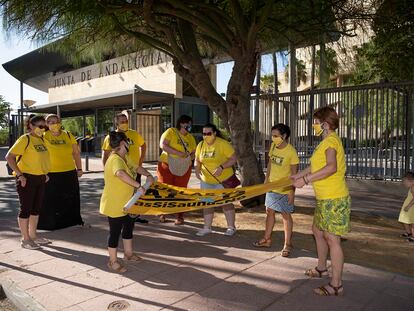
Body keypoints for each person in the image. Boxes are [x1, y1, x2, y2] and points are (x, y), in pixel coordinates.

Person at [292, 106, 350, 296]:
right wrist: (296, 176)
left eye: (316, 122)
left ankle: (336, 284)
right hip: (324, 198)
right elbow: (315, 165)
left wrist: (306, 180)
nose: (313, 125)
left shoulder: (331, 142)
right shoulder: (325, 142)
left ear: (325, 124)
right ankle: (321, 268)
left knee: (332, 239)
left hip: (334, 198)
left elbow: (331, 167)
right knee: (317, 231)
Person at [100, 131, 154, 273]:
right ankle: (112, 261)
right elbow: (120, 173)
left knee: (128, 228)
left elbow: (136, 167)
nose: (130, 144)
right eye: (128, 142)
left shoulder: (125, 157)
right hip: (115, 204)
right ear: (123, 143)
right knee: (115, 232)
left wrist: (148, 175)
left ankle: (128, 255)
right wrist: (138, 186)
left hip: (129, 202)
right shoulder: (115, 159)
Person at [5, 115, 51, 249]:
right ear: (31, 126)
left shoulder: (41, 140)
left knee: (36, 209)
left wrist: (44, 173)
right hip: (27, 178)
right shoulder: (25, 139)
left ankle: (33, 236)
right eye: (40, 126)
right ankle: (25, 240)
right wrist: (20, 175)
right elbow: (9, 157)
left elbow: (41, 159)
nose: (43, 129)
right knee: (26, 209)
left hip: (40, 177)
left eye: (45, 126)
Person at [253, 124, 299, 257]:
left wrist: (291, 192)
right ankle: (266, 239)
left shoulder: (291, 152)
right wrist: (266, 180)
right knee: (269, 211)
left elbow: (294, 174)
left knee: (285, 215)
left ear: (284, 136)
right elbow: (270, 163)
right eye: (272, 135)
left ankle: (287, 244)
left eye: (276, 136)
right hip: (272, 186)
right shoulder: (273, 147)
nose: (273, 138)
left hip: (285, 188)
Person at [38, 114, 84, 230]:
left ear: (60, 122)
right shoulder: (43, 136)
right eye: (50, 122)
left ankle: (71, 222)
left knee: (70, 199)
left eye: (56, 121)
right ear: (46, 124)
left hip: (69, 172)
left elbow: (76, 153)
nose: (54, 124)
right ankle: (49, 224)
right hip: (50, 173)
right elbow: (39, 155)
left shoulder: (68, 135)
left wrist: (79, 168)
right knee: (50, 200)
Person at [102, 112, 148, 224]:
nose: (125, 123)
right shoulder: (112, 137)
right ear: (116, 123)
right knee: (123, 193)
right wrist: (107, 171)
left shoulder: (134, 133)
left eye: (126, 121)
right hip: (119, 169)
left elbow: (143, 145)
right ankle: (121, 215)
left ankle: (134, 215)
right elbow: (105, 155)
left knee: (135, 194)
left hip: (133, 170)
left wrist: (141, 162)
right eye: (122, 122)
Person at [194, 123, 237, 236]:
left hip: (223, 181)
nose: (206, 136)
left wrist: (222, 167)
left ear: (214, 133)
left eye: (208, 133)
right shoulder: (201, 145)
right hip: (206, 181)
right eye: (204, 134)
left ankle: (231, 227)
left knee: (226, 203)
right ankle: (207, 227)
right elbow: (197, 160)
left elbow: (233, 159)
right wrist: (197, 170)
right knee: (208, 203)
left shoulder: (223, 144)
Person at [157, 115, 196, 225]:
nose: (189, 126)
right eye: (187, 123)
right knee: (165, 189)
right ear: (181, 123)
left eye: (190, 124)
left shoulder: (190, 137)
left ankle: (180, 216)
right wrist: (178, 153)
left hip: (184, 167)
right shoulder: (171, 131)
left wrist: (189, 157)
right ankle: (162, 213)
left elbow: (194, 153)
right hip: (166, 165)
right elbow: (163, 145)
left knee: (181, 190)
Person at [398, 172, 414, 243]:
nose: (404, 183)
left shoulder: (413, 188)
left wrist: (408, 206)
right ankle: (409, 232)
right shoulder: (411, 187)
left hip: (411, 207)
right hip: (409, 208)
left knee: (412, 222)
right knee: (404, 219)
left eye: (405, 181)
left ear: (412, 181)